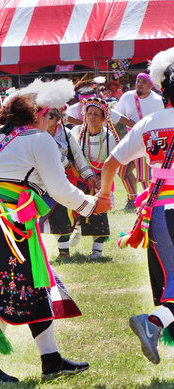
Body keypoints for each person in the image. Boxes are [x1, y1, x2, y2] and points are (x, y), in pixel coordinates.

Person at [0, 79, 112, 383]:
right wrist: (89, 205)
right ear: (40, 113)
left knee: (34, 286)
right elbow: (59, 187)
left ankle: (51, 360)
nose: (57, 122)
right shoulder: (39, 139)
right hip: (7, 225)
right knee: (1, 292)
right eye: (54, 115)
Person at [100, 47, 174, 365]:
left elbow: (111, 162)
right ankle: (153, 322)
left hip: (158, 210)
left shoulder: (149, 124)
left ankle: (154, 322)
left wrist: (105, 195)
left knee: (172, 277)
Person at [38, 90, 98, 260]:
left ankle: (63, 252)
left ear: (58, 118)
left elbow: (78, 158)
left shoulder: (66, 134)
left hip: (63, 180)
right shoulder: (35, 134)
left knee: (63, 214)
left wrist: (90, 177)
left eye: (49, 116)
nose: (45, 119)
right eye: (42, 115)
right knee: (37, 215)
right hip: (40, 182)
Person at [69, 97, 118, 258]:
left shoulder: (109, 138)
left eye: (96, 114)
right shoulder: (77, 133)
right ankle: (77, 230)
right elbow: (74, 156)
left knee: (99, 212)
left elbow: (113, 162)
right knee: (77, 208)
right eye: (89, 113)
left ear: (104, 118)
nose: (91, 117)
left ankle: (97, 250)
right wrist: (87, 175)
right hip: (81, 178)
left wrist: (100, 181)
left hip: (102, 179)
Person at [115, 73, 166, 209]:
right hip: (129, 139)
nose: (139, 84)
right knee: (122, 172)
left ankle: (151, 202)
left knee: (144, 176)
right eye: (138, 81)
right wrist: (130, 123)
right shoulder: (127, 97)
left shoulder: (158, 101)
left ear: (150, 85)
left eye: (143, 82)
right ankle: (132, 199)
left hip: (147, 142)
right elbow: (115, 114)